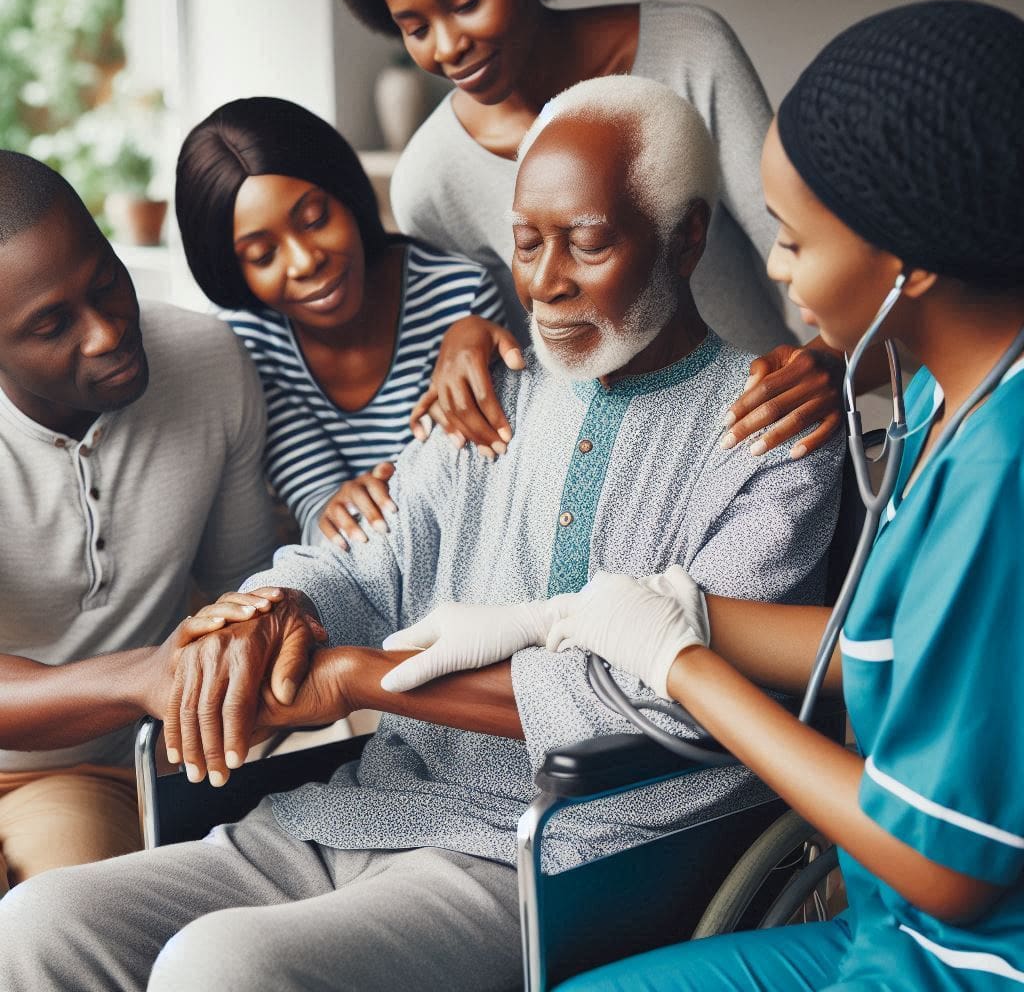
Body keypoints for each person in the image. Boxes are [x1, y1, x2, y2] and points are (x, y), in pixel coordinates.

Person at [0, 78, 843, 992]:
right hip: (374, 804)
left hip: (573, 849)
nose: (547, 281)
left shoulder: (773, 431)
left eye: (586, 242)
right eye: (526, 243)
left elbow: (670, 697)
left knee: (222, 967)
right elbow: (360, 565)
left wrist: (363, 681)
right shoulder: (487, 395)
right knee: (44, 925)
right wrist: (271, 612)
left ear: (685, 238)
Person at [432, 0, 1024, 992]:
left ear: (907, 265)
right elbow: (881, 650)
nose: (778, 271)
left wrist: (682, 664)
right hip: (888, 927)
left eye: (791, 241)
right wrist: (581, 615)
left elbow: (947, 865)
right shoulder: (932, 394)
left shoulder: (1001, 470)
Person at [332, 0, 865, 466]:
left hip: (761, 435)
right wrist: (465, 333)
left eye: (466, 1)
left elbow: (827, 257)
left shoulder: (687, 49)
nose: (448, 47)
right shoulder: (429, 178)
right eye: (416, 27)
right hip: (591, 471)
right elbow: (520, 348)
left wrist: (829, 357)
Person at [0, 151, 280, 895]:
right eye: (52, 324)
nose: (104, 333)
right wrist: (139, 678)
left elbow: (247, 591)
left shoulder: (208, 360)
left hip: (80, 774)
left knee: (64, 918)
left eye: (105, 284)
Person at [175, 96, 506, 549]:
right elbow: (317, 512)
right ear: (234, 271)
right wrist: (337, 509)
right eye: (263, 255)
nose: (305, 261)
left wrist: (472, 336)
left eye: (314, 219)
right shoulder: (247, 344)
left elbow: (483, 481)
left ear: (346, 194)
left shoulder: (459, 295)